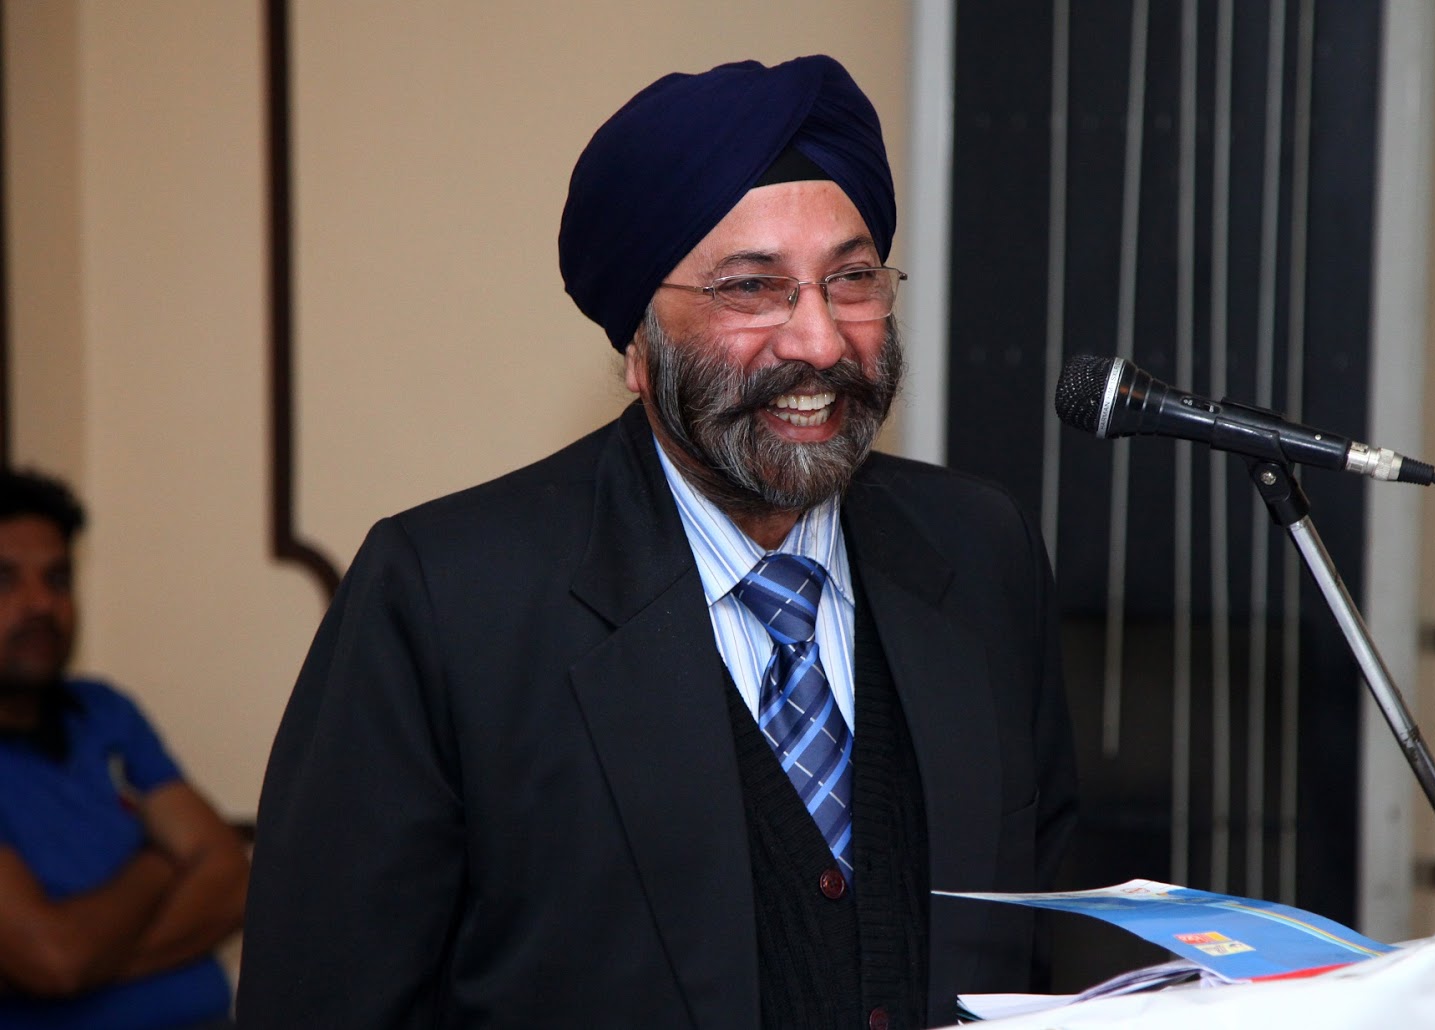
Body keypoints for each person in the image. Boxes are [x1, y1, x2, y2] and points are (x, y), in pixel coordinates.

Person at [238, 55, 1077, 1029]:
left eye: (851, 278)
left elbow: (1054, 945)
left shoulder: (981, 549)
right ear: (639, 344)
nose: (818, 341)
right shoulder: (446, 600)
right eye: (750, 288)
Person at [0, 469, 249, 1029]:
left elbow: (234, 882)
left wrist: (89, 962)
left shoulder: (104, 713)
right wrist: (160, 864)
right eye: (4, 579)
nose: (40, 604)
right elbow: (56, 959)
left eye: (58, 579)